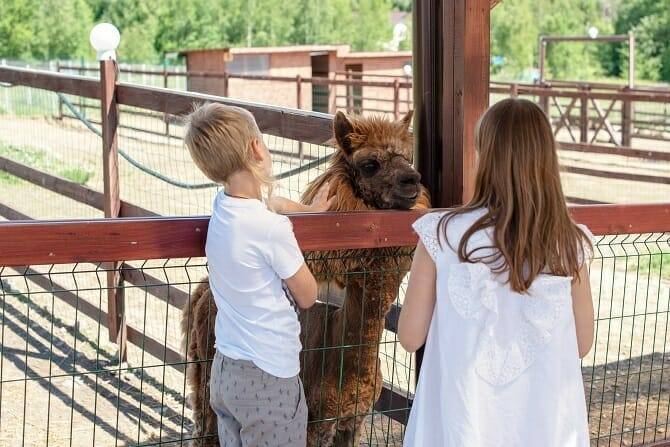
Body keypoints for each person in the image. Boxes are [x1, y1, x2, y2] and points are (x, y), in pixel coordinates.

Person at [399, 98, 594, 446]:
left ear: (483, 154)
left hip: (461, 424)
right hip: (544, 425)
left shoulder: (441, 233)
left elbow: (410, 336)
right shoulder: (570, 243)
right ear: (547, 158)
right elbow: (582, 343)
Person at [184, 102, 331, 447]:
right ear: (256, 148)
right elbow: (308, 295)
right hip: (269, 377)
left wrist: (309, 210)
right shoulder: (271, 230)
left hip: (226, 371)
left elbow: (269, 204)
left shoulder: (222, 208)